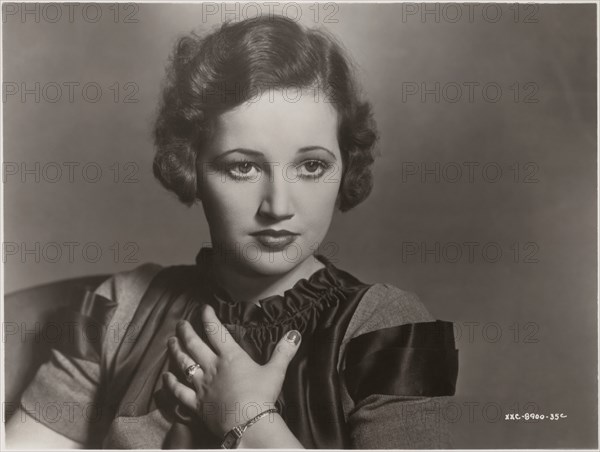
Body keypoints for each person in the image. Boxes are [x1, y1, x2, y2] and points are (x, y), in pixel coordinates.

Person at [6, 15, 458, 449]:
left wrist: (246, 416)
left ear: (346, 168)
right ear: (192, 167)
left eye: (312, 166)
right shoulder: (119, 310)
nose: (278, 206)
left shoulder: (387, 329)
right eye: (242, 166)